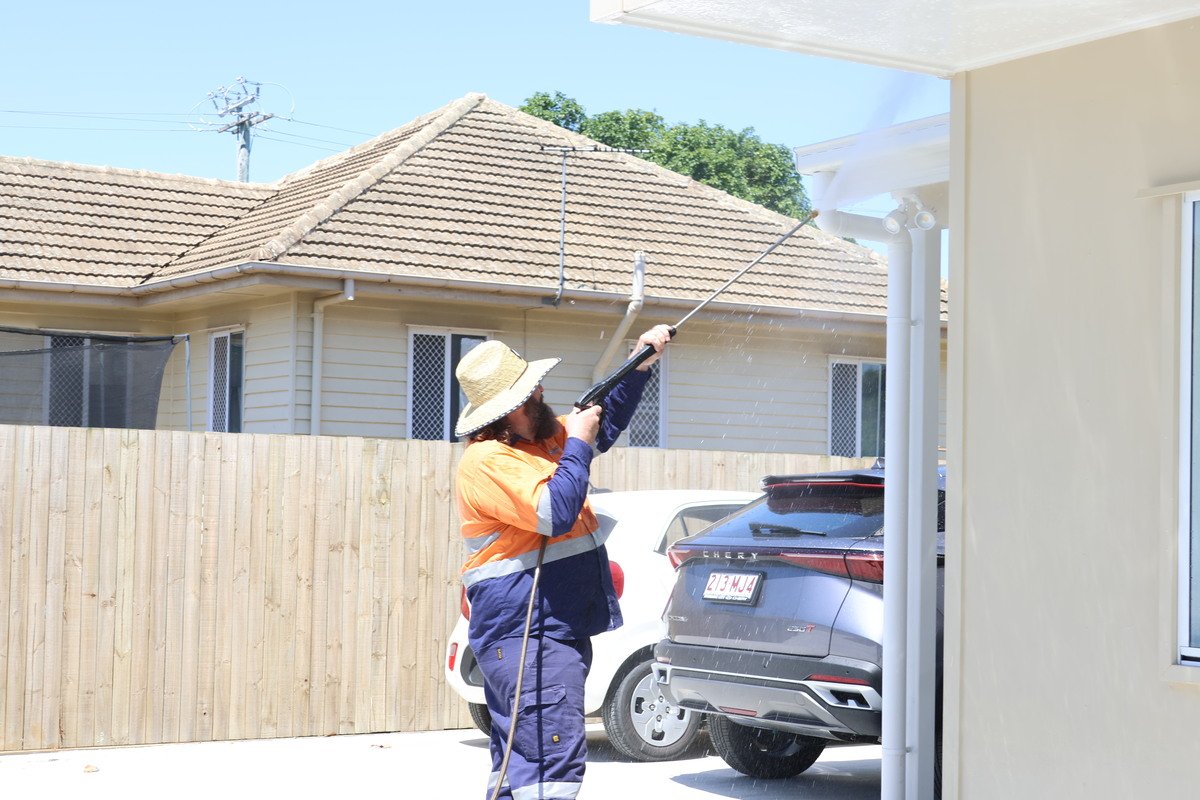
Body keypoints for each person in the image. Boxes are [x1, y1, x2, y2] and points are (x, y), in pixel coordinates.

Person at [453, 325, 672, 800]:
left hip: (550, 632)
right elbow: (555, 511)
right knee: (551, 770)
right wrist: (575, 443)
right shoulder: (487, 461)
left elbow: (599, 426)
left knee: (523, 765)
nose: (540, 393)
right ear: (504, 412)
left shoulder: (537, 441)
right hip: (527, 635)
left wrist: (639, 361)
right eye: (529, 392)